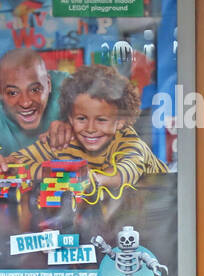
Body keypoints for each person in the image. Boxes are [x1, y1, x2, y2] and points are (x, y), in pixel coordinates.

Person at [2, 64, 165, 204]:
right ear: (70, 118)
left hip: (159, 200)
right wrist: (59, 174)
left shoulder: (129, 142)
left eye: (101, 120)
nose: (90, 128)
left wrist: (93, 179)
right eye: (81, 118)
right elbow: (18, 162)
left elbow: (125, 172)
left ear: (120, 121)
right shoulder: (66, 140)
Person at [0, 47, 71, 155]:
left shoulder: (66, 87)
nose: (25, 103)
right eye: (13, 93)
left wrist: (75, 125)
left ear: (48, 84)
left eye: (35, 90)